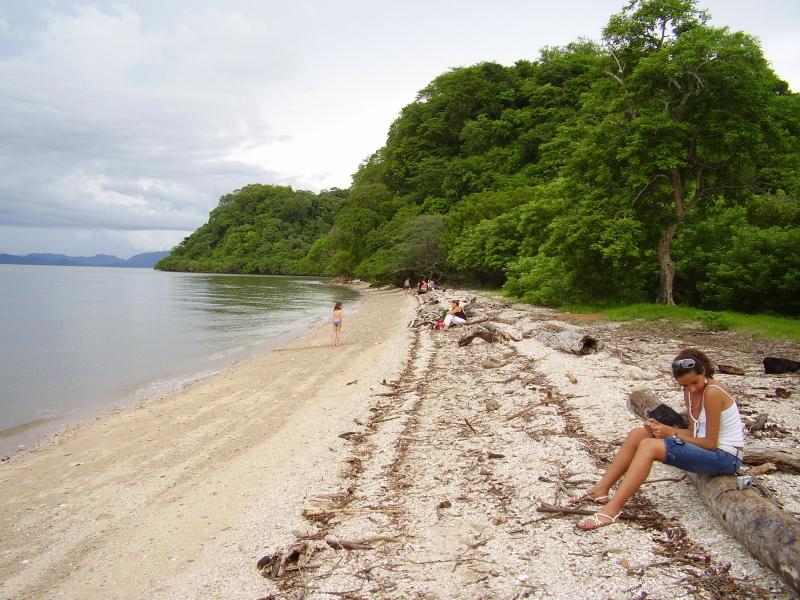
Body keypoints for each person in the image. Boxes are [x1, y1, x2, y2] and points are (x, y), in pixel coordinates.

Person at [574, 348, 745, 530]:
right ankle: (600, 489)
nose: (691, 388)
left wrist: (670, 433)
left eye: (694, 382)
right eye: (685, 386)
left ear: (703, 371)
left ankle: (612, 510)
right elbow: (694, 433)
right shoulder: (690, 392)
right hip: (708, 449)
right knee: (638, 434)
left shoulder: (712, 393)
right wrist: (661, 429)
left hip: (726, 458)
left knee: (649, 446)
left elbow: (710, 443)